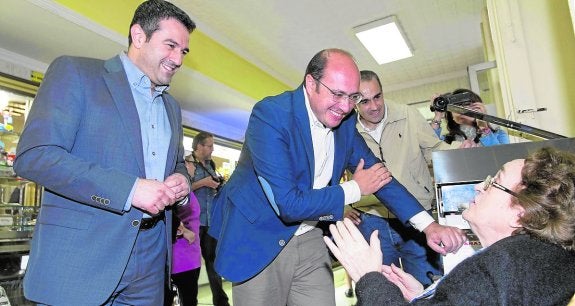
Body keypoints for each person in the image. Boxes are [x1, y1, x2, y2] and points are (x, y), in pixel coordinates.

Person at [208, 48, 466, 306]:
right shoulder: (271, 115)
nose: (345, 107)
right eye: (338, 94)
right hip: (259, 237)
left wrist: (429, 226)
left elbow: (380, 177)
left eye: (352, 97)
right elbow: (287, 204)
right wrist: (355, 189)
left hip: (310, 234)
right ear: (311, 83)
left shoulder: (345, 122)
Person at [13, 1, 194, 304]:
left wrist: (182, 182)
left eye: (184, 51)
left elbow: (176, 164)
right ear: (139, 36)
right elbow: (35, 155)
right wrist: (130, 189)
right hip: (82, 261)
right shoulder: (76, 73)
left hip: (151, 262)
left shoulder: (171, 107)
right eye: (171, 45)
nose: (178, 59)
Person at [325, 147, 575, 305]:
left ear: (519, 214)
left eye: (494, 182)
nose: (479, 187)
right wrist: (422, 297)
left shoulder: (493, 271)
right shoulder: (548, 259)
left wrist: (368, 278)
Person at [345, 70, 477, 287]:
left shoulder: (407, 115)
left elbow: (434, 149)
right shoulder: (346, 128)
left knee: (428, 287)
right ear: (355, 102)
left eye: (377, 97)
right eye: (365, 101)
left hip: (418, 216)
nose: (374, 106)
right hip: (372, 219)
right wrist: (342, 208)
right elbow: (330, 172)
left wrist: (459, 150)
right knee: (382, 289)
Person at [188, 132, 230, 306]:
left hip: (210, 222)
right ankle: (189, 301)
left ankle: (221, 302)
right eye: (209, 145)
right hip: (192, 223)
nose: (212, 149)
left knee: (213, 263)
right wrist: (203, 182)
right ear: (198, 146)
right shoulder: (187, 164)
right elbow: (182, 189)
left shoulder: (210, 165)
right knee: (192, 266)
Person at [166, 160, 202, 306]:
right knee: (186, 299)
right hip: (181, 257)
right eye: (192, 163)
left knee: (189, 298)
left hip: (190, 254)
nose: (194, 167)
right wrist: (183, 230)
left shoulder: (188, 192)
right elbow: (168, 214)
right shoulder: (177, 191)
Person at [430, 88, 509, 146]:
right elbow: (430, 145)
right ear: (452, 116)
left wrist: (482, 123)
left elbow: (502, 157)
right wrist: (438, 115)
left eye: (467, 103)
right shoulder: (446, 141)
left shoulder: (499, 135)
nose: (462, 108)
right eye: (457, 105)